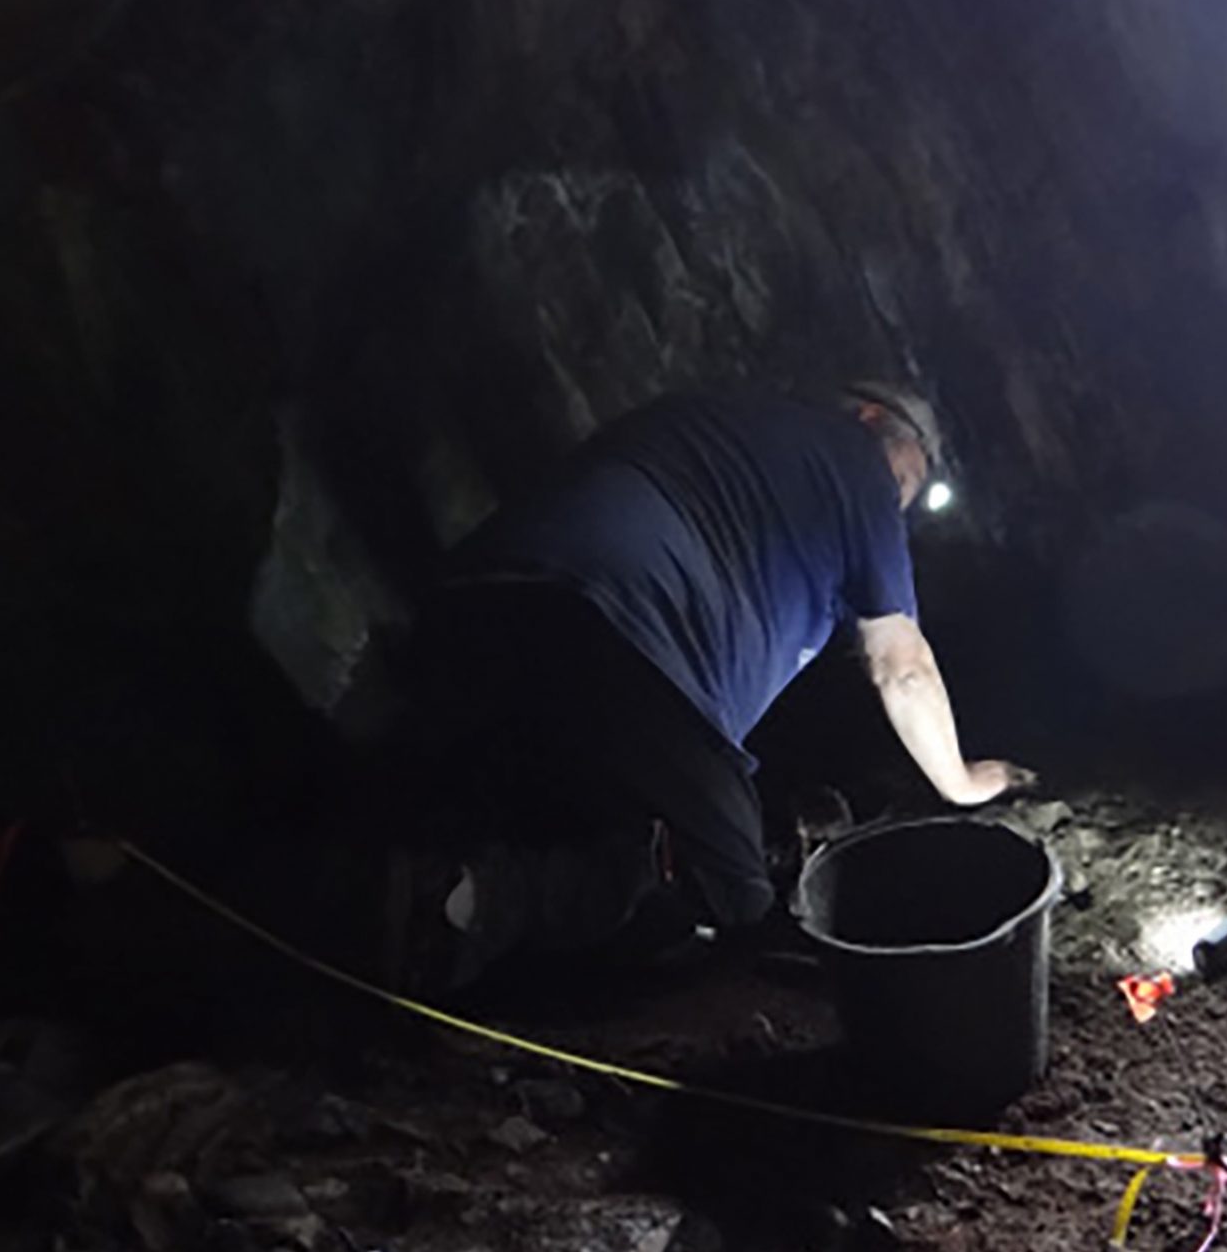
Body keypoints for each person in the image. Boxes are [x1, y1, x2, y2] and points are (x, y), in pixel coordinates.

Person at [382, 382, 1027, 987]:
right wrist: (961, 782)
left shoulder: (718, 424)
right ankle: (463, 903)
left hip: (467, 605)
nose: (903, 504)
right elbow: (900, 663)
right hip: (621, 633)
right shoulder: (853, 459)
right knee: (731, 894)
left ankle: (411, 876)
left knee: (583, 809)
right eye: (910, 479)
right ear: (871, 417)